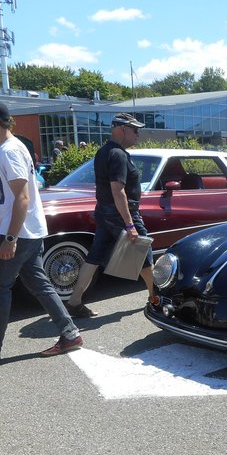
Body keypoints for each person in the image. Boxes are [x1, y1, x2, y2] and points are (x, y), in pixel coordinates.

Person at [0, 97, 83, 363]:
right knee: (38, 283)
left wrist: (10, 238)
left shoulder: (9, 150)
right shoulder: (13, 148)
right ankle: (70, 333)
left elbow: (22, 198)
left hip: (20, 233)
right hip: (30, 230)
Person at [64, 113, 155, 318]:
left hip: (104, 210)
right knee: (144, 254)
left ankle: (74, 302)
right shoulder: (118, 155)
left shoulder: (103, 151)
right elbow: (118, 190)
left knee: (95, 257)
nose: (137, 135)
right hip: (122, 212)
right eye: (135, 130)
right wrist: (130, 225)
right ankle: (156, 299)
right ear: (122, 129)